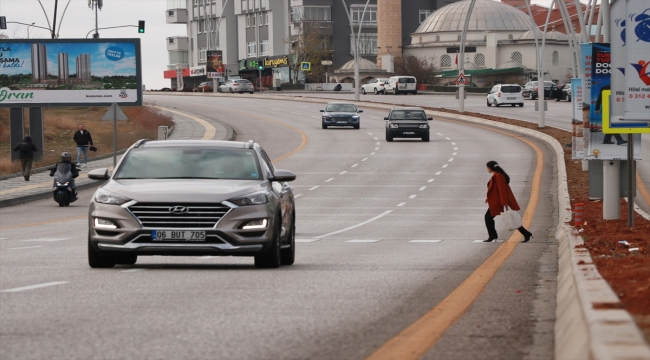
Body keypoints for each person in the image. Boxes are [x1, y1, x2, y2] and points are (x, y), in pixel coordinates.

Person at [483, 160, 533, 243]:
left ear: (490, 168)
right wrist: (488, 199)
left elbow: (502, 190)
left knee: (489, 218)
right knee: (511, 218)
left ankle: (492, 236)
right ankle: (526, 233)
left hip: (500, 202)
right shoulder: (496, 175)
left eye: (487, 168)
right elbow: (494, 190)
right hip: (498, 202)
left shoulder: (499, 176)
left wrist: (504, 203)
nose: (487, 169)